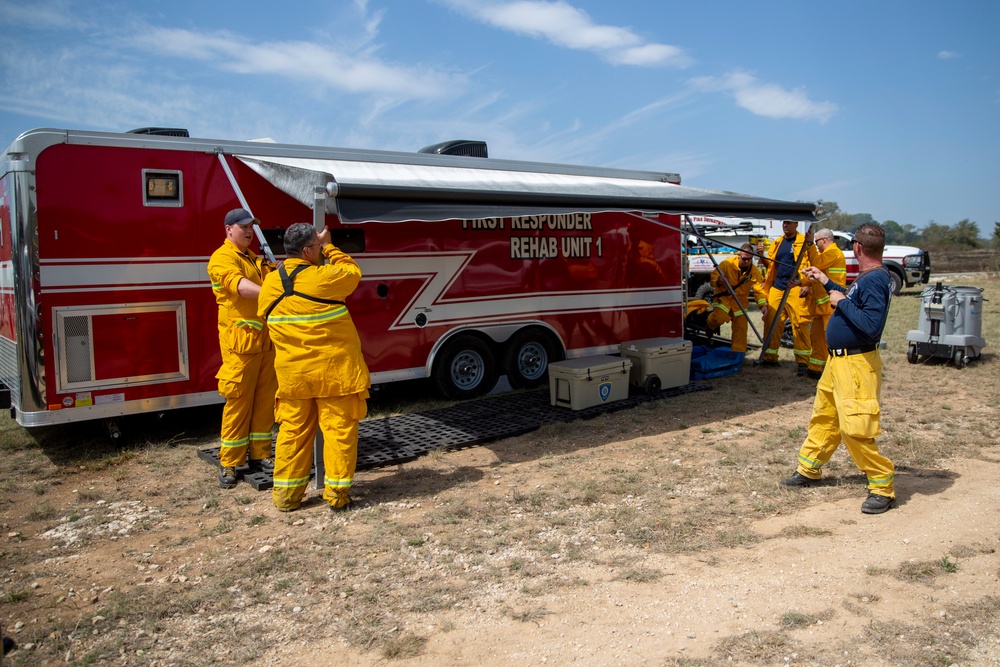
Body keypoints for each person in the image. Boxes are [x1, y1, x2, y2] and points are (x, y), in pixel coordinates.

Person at [780, 223, 896, 514]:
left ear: (857, 247)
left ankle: (882, 486)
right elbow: (853, 304)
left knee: (854, 427)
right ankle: (809, 469)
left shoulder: (874, 280)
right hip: (838, 362)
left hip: (856, 364)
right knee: (825, 416)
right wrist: (825, 281)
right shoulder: (869, 278)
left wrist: (841, 300)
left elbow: (871, 326)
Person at [258, 223, 370, 513]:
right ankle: (337, 497)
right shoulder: (322, 278)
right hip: (334, 374)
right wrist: (331, 246)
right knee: (338, 434)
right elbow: (352, 273)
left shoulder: (270, 282)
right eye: (317, 247)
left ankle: (286, 498)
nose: (320, 251)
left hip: (293, 376)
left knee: (292, 434)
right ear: (309, 250)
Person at [207, 208, 278, 489]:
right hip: (240, 345)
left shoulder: (254, 258)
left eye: (252, 227)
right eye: (243, 226)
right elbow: (241, 287)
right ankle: (230, 462)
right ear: (228, 229)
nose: (249, 231)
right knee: (238, 403)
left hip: (264, 342)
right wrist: (273, 291)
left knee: (264, 403)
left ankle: (260, 454)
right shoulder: (222, 258)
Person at [760, 220, 813, 373]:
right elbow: (770, 266)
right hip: (777, 287)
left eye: (789, 223)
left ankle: (803, 362)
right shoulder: (777, 242)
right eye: (784, 223)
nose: (785, 225)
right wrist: (760, 256)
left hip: (795, 287)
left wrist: (806, 284)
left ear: (796, 225)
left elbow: (811, 264)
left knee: (799, 323)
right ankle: (770, 357)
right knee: (771, 321)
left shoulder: (803, 242)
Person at [801, 228, 847, 379]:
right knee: (817, 338)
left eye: (816, 242)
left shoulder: (833, 253)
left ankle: (835, 372)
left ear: (824, 240)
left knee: (830, 340)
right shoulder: (825, 254)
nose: (815, 245)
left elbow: (818, 264)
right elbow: (818, 274)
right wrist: (802, 281)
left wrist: (808, 245)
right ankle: (815, 368)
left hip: (831, 304)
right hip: (822, 306)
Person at [704, 244, 767, 353]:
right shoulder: (727, 264)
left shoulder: (754, 271)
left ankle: (738, 354)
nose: (747, 261)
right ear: (739, 255)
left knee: (741, 329)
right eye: (744, 259)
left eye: (749, 259)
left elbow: (758, 290)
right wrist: (718, 281)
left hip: (740, 303)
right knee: (718, 318)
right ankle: (709, 325)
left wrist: (762, 305)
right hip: (724, 300)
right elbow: (713, 279)